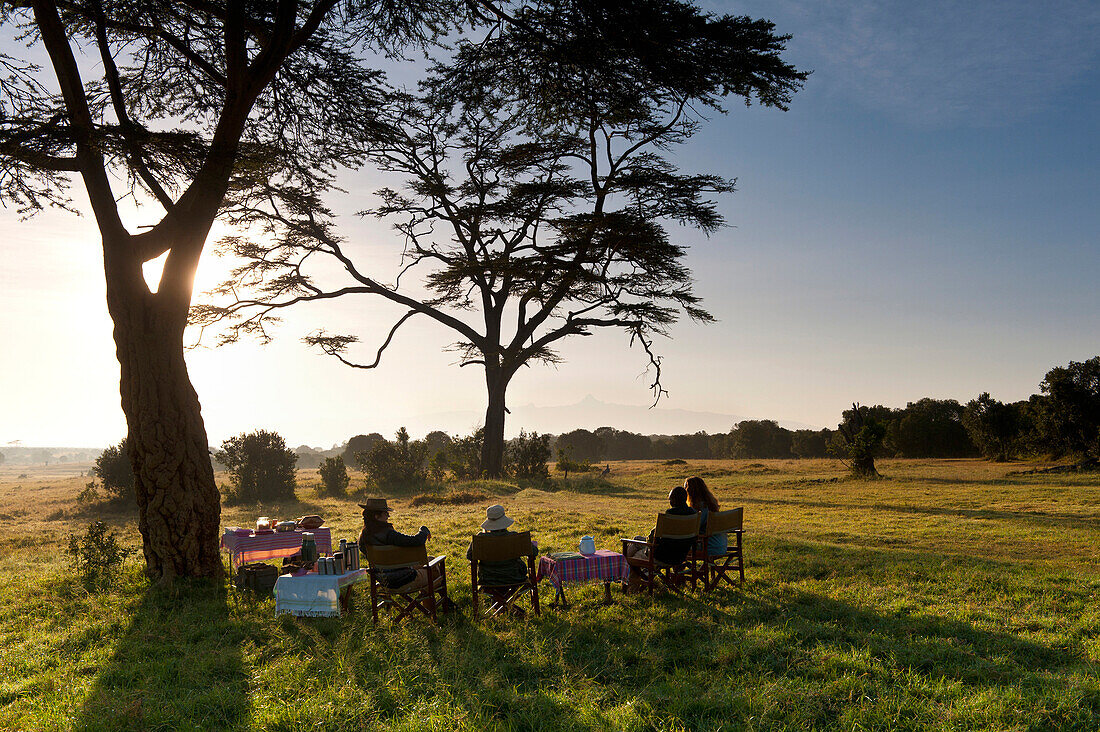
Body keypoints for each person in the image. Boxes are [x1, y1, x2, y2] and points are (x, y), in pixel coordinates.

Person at [623, 486, 698, 592]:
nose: (670, 501)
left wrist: (650, 543)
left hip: (661, 556)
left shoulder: (670, 515)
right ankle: (631, 578)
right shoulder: (694, 514)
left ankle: (631, 586)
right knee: (637, 539)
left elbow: (652, 537)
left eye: (670, 499)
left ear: (674, 500)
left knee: (631, 557)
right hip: (680, 555)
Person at [358, 497, 433, 591]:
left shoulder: (363, 537)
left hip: (383, 580)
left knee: (430, 559)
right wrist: (424, 529)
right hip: (405, 579)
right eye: (385, 513)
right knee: (434, 567)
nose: (388, 516)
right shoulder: (389, 535)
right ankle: (440, 602)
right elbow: (417, 541)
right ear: (376, 516)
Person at [466, 504, 532, 588]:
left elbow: (469, 555)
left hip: (488, 579)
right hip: (515, 577)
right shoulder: (515, 537)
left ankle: (497, 599)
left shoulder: (481, 538)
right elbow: (534, 552)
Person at [685, 476, 728, 557]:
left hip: (708, 547)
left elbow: (692, 529)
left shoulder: (701, 508)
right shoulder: (710, 504)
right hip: (721, 546)